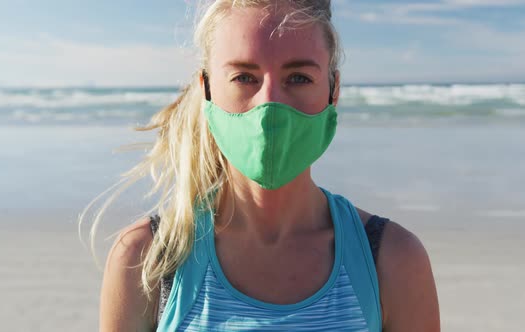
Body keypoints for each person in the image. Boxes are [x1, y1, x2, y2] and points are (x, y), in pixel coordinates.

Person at [91, 0, 440, 331]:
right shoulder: (148, 258)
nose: (269, 104)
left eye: (299, 77)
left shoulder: (391, 259)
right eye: (244, 77)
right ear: (207, 88)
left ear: (333, 91)